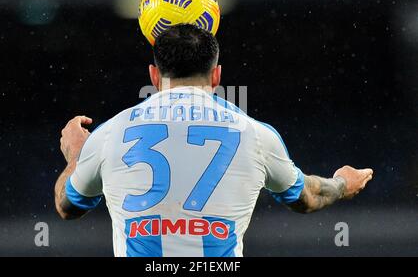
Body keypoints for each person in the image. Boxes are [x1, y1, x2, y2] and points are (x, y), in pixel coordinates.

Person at [54, 24, 373, 257]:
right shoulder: (255, 133)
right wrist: (343, 182)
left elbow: (66, 207)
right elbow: (308, 196)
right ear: (217, 75)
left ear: (153, 76)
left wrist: (75, 158)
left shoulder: (110, 134)